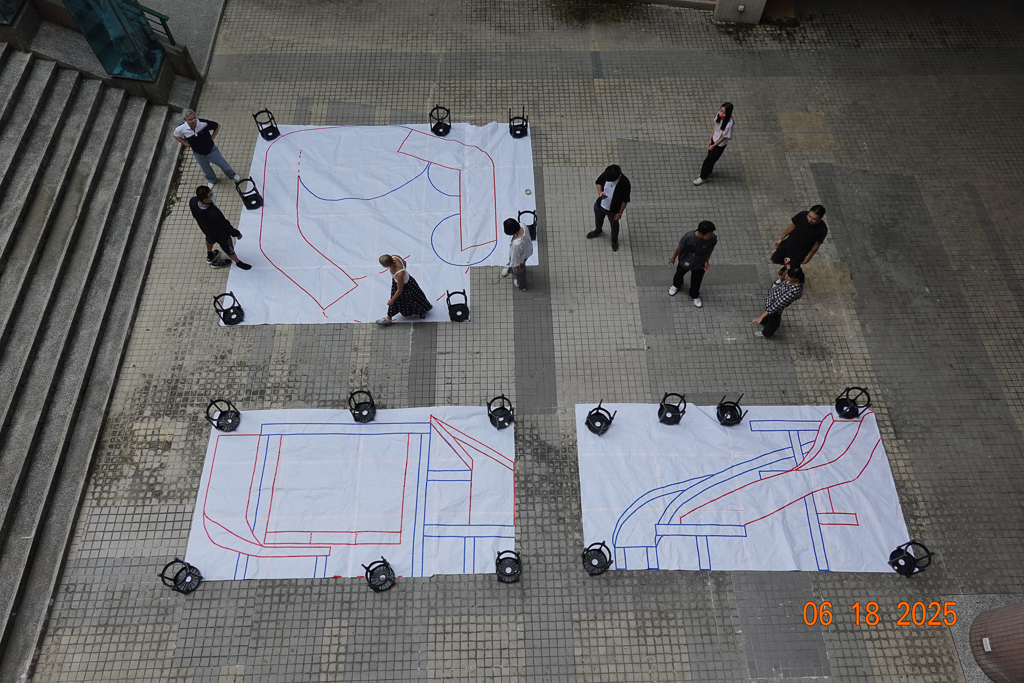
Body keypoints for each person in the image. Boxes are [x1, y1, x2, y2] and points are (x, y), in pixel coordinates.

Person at [173, 109, 242, 189]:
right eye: (190, 120)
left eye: (194, 118)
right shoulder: (181, 129)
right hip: (198, 154)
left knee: (223, 164)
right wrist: (185, 144)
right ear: (185, 119)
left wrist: (212, 137)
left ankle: (232, 175)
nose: (193, 121)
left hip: (212, 151)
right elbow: (176, 135)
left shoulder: (203, 123)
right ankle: (212, 180)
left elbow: (217, 126)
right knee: (205, 168)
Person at [188, 186, 251, 269]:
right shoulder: (214, 213)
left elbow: (194, 215)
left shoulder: (193, 201)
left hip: (207, 230)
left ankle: (210, 255)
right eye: (211, 195)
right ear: (205, 200)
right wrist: (236, 233)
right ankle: (238, 262)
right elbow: (225, 225)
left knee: (209, 240)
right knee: (229, 249)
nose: (213, 196)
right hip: (221, 235)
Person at [668, 220, 717, 308]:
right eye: (708, 235)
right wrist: (673, 258)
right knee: (679, 274)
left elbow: (711, 247)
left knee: (697, 281)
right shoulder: (688, 237)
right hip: (685, 261)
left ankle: (694, 295)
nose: (710, 236)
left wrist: (707, 260)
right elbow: (680, 247)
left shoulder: (712, 238)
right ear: (701, 233)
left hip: (700, 263)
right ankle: (676, 285)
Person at [752, 258, 804, 338]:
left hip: (776, 306)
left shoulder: (793, 292)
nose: (786, 277)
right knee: (769, 315)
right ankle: (764, 320)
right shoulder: (792, 277)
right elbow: (788, 270)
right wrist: (788, 264)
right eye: (786, 274)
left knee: (774, 320)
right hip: (772, 300)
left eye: (789, 276)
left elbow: (776, 305)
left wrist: (761, 316)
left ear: (796, 279)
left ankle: (767, 333)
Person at [376, 254, 433, 325]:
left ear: (386, 266)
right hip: (402, 282)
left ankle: (389, 318)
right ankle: (389, 317)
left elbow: (400, 290)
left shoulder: (399, 273)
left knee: (399, 299)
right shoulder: (395, 257)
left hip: (405, 286)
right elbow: (404, 262)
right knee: (416, 298)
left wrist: (392, 300)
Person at [587, 164, 631, 252]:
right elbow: (598, 182)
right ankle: (598, 230)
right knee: (598, 219)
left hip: (613, 210)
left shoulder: (625, 183)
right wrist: (600, 192)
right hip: (600, 205)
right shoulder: (608, 173)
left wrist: (620, 213)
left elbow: (625, 200)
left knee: (614, 225)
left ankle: (614, 239)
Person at [693, 103, 734, 185]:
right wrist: (710, 139)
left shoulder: (729, 124)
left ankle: (703, 177)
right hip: (714, 140)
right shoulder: (719, 115)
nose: (721, 113)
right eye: (721, 110)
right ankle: (708, 172)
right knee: (711, 159)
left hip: (719, 145)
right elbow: (715, 126)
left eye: (724, 112)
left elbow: (724, 137)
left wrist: (714, 146)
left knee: (708, 161)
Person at [501, 217, 533, 291]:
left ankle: (522, 285)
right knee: (513, 260)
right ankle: (510, 265)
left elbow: (516, 258)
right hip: (526, 251)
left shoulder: (517, 244)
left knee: (520, 273)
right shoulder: (522, 225)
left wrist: (517, 267)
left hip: (520, 259)